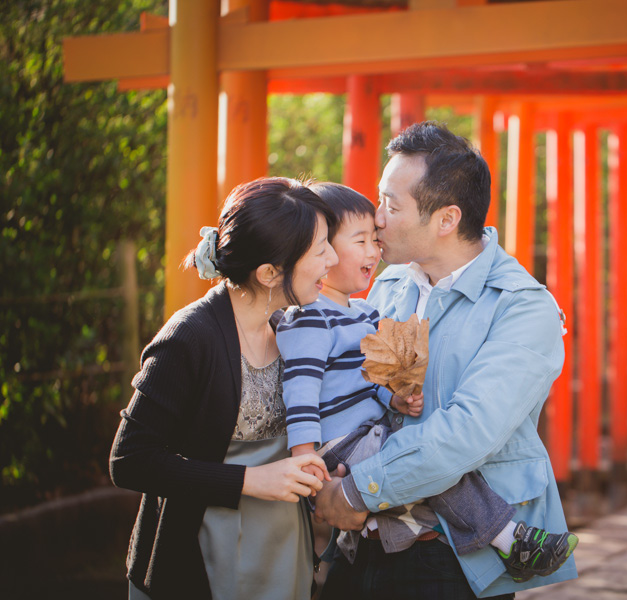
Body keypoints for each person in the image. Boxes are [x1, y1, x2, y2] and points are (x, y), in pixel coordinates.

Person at [312, 122, 579, 599]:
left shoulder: (522, 307)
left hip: (449, 560)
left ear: (446, 219)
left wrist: (356, 492)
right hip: (359, 548)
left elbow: (466, 433)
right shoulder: (392, 283)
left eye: (392, 205)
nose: (377, 218)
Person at [109, 177, 337, 600]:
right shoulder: (189, 337)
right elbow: (130, 460)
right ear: (270, 273)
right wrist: (250, 480)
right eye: (321, 248)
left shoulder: (294, 326)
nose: (333, 258)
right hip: (202, 550)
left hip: (282, 546)